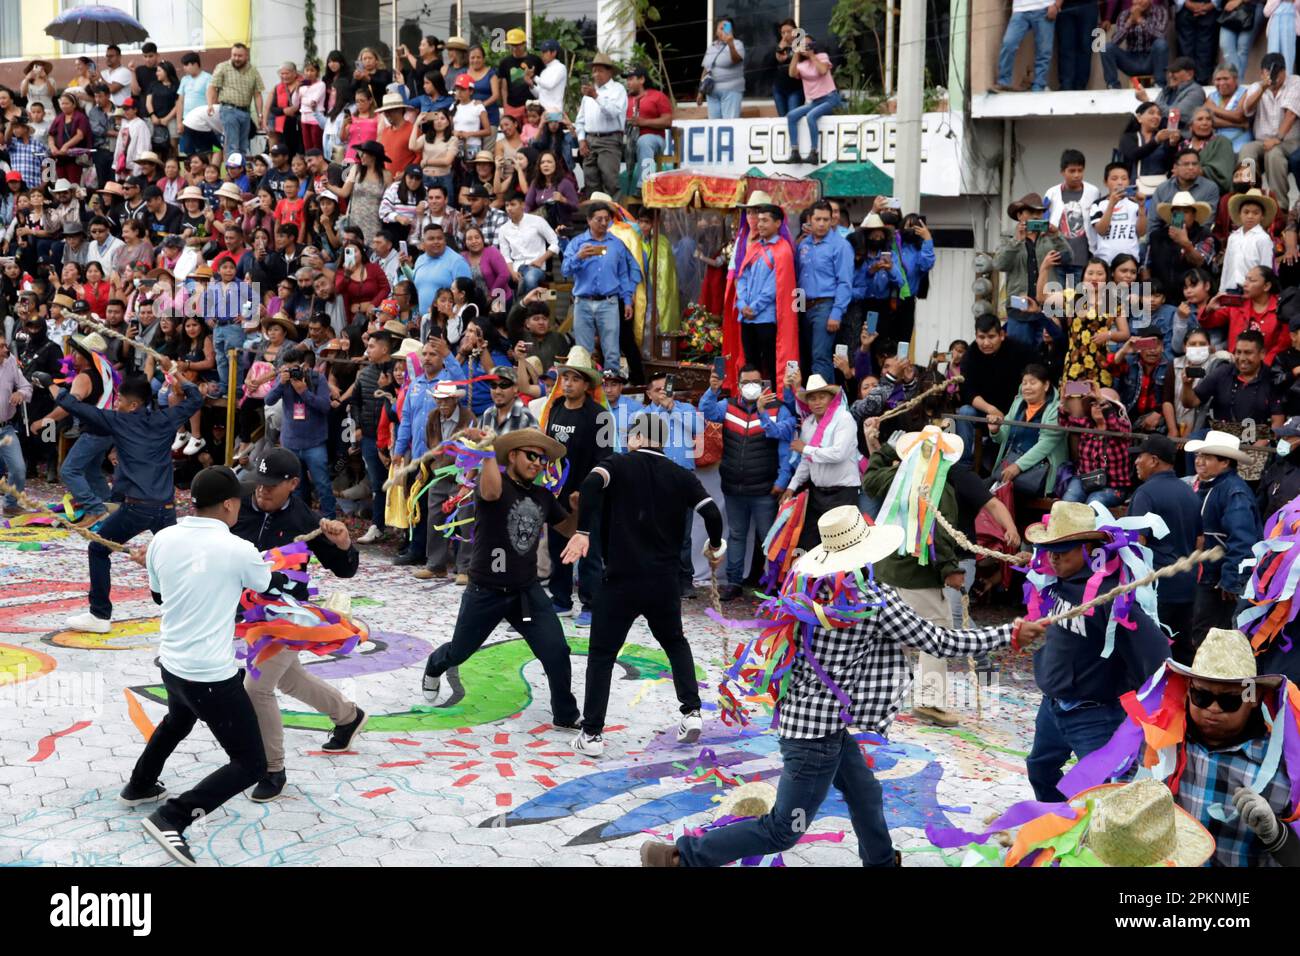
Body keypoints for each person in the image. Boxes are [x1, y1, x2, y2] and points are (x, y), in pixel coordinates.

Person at [639, 506, 1022, 867]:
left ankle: (881, 860)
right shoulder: (874, 601)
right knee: (782, 830)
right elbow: (941, 643)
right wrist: (1011, 632)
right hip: (815, 737)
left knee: (864, 792)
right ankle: (681, 857)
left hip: (808, 716)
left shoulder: (807, 587)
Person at [115, 466, 278, 866]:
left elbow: (158, 595)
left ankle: (139, 785)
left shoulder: (162, 539)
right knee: (251, 763)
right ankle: (173, 817)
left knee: (179, 719)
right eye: (239, 500)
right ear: (227, 504)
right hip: (208, 674)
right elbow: (263, 583)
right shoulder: (238, 548)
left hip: (171, 662)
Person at [565, 411, 724, 756]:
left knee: (602, 654)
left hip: (621, 579)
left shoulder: (618, 464)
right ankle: (692, 711)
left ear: (635, 437)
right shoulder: (680, 475)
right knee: (675, 642)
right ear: (662, 441)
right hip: (664, 582)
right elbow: (712, 513)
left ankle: (592, 734)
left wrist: (582, 532)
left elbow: (591, 484)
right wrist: (715, 547)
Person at [420, 427, 582, 731]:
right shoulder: (495, 484)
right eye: (531, 455)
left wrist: (577, 510)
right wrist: (488, 449)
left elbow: (568, 530)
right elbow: (491, 491)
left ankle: (565, 713)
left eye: (543, 459)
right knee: (459, 652)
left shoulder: (544, 496)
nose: (537, 463)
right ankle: (434, 664)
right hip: (485, 591)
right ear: (512, 456)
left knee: (557, 650)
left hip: (526, 591)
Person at [231, 447, 364, 802]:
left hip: (284, 619)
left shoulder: (308, 521)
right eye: (259, 483)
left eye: (273, 485)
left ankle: (272, 769)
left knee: (256, 689)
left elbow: (345, 569)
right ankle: (348, 717)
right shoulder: (238, 505)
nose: (263, 490)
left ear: (293, 484)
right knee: (291, 679)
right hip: (245, 616)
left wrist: (344, 543)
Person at [1020, 502, 1172, 802]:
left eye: (1064, 549)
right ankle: (1057, 824)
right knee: (1040, 768)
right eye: (1050, 548)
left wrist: (1158, 709)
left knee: (1104, 792)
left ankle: (1098, 842)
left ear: (1089, 550)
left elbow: (1154, 654)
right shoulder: (1051, 582)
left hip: (1094, 714)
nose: (1053, 556)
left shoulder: (1111, 597)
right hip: (1052, 707)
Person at [48, 373, 205, 633]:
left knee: (98, 549)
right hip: (166, 507)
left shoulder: (120, 420)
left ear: (134, 405)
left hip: (138, 508)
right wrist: (179, 377)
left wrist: (53, 388)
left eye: (120, 399)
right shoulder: (166, 418)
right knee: (175, 560)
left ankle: (99, 615)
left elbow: (75, 407)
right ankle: (193, 614)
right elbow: (196, 398)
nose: (116, 403)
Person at [699, 364, 795, 600]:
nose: (751, 386)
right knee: (736, 535)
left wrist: (783, 480)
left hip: (764, 488)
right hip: (733, 487)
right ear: (739, 384)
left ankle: (775, 584)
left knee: (769, 537)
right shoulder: (729, 406)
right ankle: (733, 583)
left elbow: (783, 439)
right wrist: (713, 390)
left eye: (756, 382)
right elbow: (707, 411)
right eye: (745, 382)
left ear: (763, 385)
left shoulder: (777, 409)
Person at [540, 346, 614, 627]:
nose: (568, 383)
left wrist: (586, 490)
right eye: (565, 378)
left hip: (586, 495)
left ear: (586, 385)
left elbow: (605, 457)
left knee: (588, 551)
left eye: (575, 378)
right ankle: (560, 600)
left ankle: (591, 604)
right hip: (557, 493)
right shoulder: (555, 409)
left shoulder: (599, 415)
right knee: (559, 547)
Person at [1185, 429, 1265, 644]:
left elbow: (1242, 540)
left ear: (1225, 463)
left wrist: (1231, 580)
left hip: (1220, 580)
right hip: (1210, 574)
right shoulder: (1210, 486)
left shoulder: (1233, 492)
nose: (1199, 461)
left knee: (1210, 635)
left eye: (1207, 457)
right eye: (1199, 456)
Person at [1126, 433, 1202, 660]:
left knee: (1150, 657)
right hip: (1186, 587)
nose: (1136, 462)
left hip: (1156, 591)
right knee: (1182, 656)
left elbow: (1137, 544)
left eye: (1141, 456)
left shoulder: (1146, 493)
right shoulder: (1189, 491)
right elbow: (1200, 541)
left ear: (1154, 460)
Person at [781, 374, 859, 552]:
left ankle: (844, 581)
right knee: (812, 544)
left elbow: (838, 454)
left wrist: (805, 449)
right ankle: (817, 581)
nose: (817, 402)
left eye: (822, 397)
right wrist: (792, 487)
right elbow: (806, 461)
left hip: (843, 493)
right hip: (818, 494)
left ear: (831, 399)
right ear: (807, 403)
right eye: (812, 398)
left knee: (843, 545)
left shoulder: (844, 419)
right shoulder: (808, 424)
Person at [562, 201, 642, 364]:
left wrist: (627, 301)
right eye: (599, 219)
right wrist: (579, 256)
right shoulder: (577, 243)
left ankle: (610, 386)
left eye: (607, 219)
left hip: (609, 302)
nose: (604, 223)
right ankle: (587, 388)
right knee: (583, 352)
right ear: (589, 220)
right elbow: (565, 270)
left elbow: (623, 275)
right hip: (583, 303)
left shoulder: (617, 244)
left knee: (612, 351)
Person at [994, 192, 1070, 349]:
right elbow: (1000, 264)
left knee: (1048, 353)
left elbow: (1068, 257)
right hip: (1019, 306)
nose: (1036, 216)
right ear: (1020, 215)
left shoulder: (1050, 237)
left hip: (1048, 307)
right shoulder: (1009, 238)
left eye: (1040, 212)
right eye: (1031, 212)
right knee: (1019, 354)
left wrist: (1056, 235)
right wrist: (1017, 241)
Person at [734, 204, 799, 383]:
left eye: (765, 220)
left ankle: (772, 399)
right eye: (758, 220)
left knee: (770, 363)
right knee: (750, 363)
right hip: (746, 317)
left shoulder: (783, 250)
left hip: (766, 318)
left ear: (778, 223)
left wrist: (753, 307)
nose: (759, 224)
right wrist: (741, 304)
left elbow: (775, 287)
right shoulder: (754, 247)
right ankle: (750, 397)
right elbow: (742, 277)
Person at [1239, 53, 1300, 195]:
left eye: (1278, 73)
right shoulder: (1256, 87)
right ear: (1262, 73)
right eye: (1270, 73)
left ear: (1284, 71)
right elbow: (1247, 109)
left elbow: (1290, 114)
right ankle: (1248, 196)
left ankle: (1280, 206)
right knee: (1247, 151)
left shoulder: (1295, 82)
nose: (1275, 77)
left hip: (1289, 141)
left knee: (1273, 154)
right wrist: (1263, 88)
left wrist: (1277, 139)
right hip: (1262, 140)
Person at [574, 54, 627, 197]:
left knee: (610, 182)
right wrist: (581, 140)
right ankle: (596, 217)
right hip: (590, 139)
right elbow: (580, 120)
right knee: (591, 182)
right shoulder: (588, 93)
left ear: (610, 72)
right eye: (594, 70)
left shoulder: (618, 89)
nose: (596, 74)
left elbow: (614, 112)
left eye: (600, 70)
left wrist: (596, 96)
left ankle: (615, 218)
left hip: (609, 140)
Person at [207, 43, 265, 159]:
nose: (236, 58)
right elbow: (212, 87)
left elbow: (257, 94)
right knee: (232, 145)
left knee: (244, 146)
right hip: (228, 110)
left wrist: (260, 114)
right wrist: (210, 104)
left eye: (240, 56)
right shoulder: (222, 67)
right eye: (234, 55)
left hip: (246, 112)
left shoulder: (253, 70)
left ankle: (241, 174)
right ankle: (232, 173)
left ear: (246, 56)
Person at [498, 191, 560, 298]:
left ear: (522, 205)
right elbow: (505, 256)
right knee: (500, 280)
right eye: (507, 205)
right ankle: (504, 313)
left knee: (530, 279)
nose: (509, 208)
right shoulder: (503, 229)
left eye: (513, 204)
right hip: (516, 267)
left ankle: (529, 310)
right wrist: (512, 272)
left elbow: (555, 242)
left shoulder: (537, 221)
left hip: (536, 267)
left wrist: (540, 260)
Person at [624, 68, 673, 195]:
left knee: (644, 142)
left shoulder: (657, 96)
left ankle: (645, 185)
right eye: (627, 80)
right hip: (628, 139)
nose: (627, 83)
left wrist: (643, 122)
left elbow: (667, 121)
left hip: (653, 138)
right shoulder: (624, 98)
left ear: (642, 79)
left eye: (631, 79)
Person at [1100, 0, 1169, 88]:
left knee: (1161, 44)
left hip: (1151, 59)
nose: (1139, 2)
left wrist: (1141, 20)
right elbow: (1115, 41)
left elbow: (1161, 36)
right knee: (1106, 48)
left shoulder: (1160, 11)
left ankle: (1160, 85)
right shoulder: (1125, 14)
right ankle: (1113, 86)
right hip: (1131, 60)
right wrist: (1130, 22)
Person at [993, 0, 1057, 93]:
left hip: (1045, 8)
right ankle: (1004, 82)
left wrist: (1056, 5)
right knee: (1009, 44)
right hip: (1020, 9)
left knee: (1044, 51)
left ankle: (1039, 86)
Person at [0, 333, 32, 516]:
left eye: (5, 345)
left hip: (5, 428)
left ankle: (11, 504)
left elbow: (27, 387)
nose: (6, 350)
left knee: (19, 469)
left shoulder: (10, 361)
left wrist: (21, 394)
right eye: (1, 346)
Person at [699, 20, 746, 119]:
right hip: (711, 91)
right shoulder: (712, 46)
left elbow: (736, 60)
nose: (724, 30)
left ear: (731, 30)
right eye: (721, 28)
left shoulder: (737, 44)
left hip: (731, 90)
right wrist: (700, 91)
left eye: (726, 28)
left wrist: (731, 45)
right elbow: (706, 68)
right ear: (716, 32)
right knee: (714, 125)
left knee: (729, 124)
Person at [773, 20, 806, 116]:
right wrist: (781, 47)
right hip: (779, 88)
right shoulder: (781, 45)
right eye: (783, 32)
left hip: (796, 88)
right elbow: (779, 59)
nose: (786, 34)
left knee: (793, 116)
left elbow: (802, 62)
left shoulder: (801, 45)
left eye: (789, 31)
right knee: (782, 117)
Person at [531, 40, 568, 114]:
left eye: (544, 52)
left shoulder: (560, 67)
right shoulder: (544, 72)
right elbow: (539, 94)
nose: (541, 55)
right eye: (541, 52)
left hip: (555, 113)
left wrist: (534, 77)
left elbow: (549, 85)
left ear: (554, 53)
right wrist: (531, 85)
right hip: (542, 112)